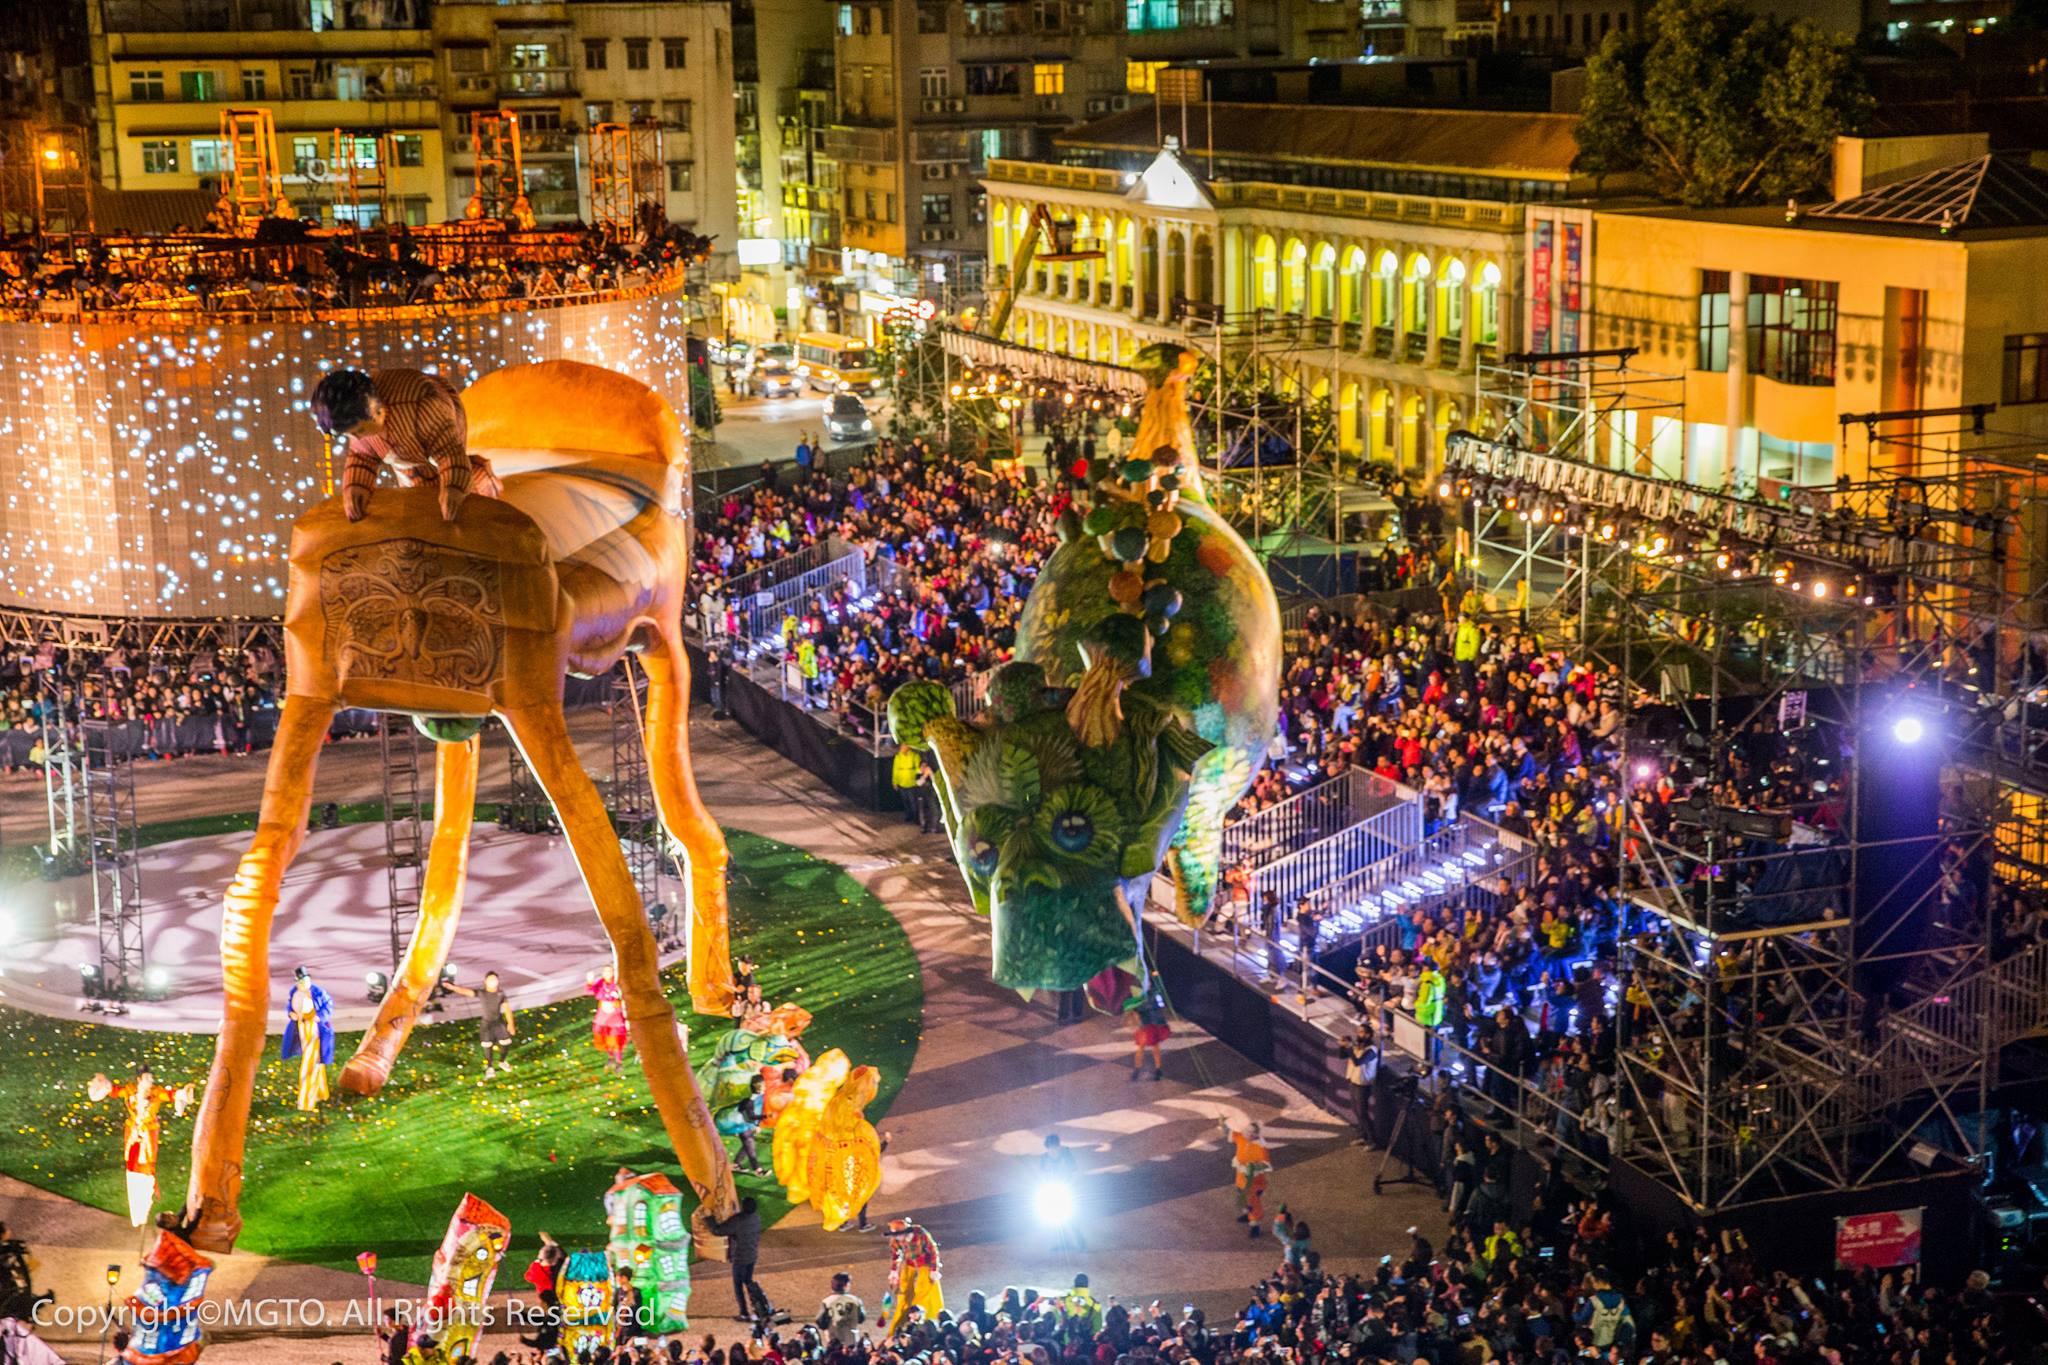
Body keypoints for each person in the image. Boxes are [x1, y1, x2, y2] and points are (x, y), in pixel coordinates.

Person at [310, 367, 501, 524]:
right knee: (419, 502)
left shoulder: (424, 404)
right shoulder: (358, 416)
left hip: (440, 427)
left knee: (462, 503)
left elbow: (449, 453)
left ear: (376, 411)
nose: (356, 438)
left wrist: (454, 487)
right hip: (409, 466)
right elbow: (363, 455)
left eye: (358, 431)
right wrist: (356, 485)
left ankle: (482, 487)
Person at [85, 1068, 195, 1227]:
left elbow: (171, 1095)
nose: (150, 1081)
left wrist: (184, 1093)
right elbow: (114, 1091)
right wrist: (102, 1082)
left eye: (151, 1078)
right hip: (133, 1132)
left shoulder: (156, 1092)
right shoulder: (130, 1090)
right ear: (139, 1079)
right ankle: (137, 1205)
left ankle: (144, 1198)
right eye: (147, 1078)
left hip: (148, 1132)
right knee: (133, 1162)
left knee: (146, 1164)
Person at [710, 1196, 772, 1325]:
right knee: (748, 1282)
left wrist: (709, 1220)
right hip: (751, 1256)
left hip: (740, 1258)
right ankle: (760, 1307)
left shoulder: (738, 1220)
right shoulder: (756, 1218)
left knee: (738, 1286)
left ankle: (744, 1313)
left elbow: (718, 1231)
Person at [282, 966, 334, 1112]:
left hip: (315, 1029)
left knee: (309, 1063)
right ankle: (321, 1092)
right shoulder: (295, 991)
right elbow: (290, 1005)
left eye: (304, 979)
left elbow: (328, 1005)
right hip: (301, 1028)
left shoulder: (317, 992)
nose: (302, 982)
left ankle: (306, 1100)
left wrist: (320, 1017)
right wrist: (291, 1013)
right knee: (314, 1060)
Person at [447, 969, 515, 1077]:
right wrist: (453, 988)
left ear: (498, 982)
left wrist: (510, 1023)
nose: (492, 982)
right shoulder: (482, 993)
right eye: (490, 980)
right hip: (486, 1024)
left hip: (499, 1022)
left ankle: (502, 1061)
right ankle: (490, 1067)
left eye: (494, 980)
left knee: (506, 1042)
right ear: (485, 982)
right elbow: (466, 991)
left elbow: (507, 1009)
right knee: (487, 1046)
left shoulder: (501, 994)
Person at [1220, 1118, 1272, 1236]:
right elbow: (1229, 1133)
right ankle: (1248, 1215)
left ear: (1254, 1135)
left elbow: (1266, 1165)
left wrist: (1250, 1168)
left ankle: (1255, 1226)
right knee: (1242, 1200)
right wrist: (1223, 1123)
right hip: (1241, 1181)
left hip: (1254, 1185)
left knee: (1252, 1204)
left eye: (1248, 1131)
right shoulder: (1242, 1137)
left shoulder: (1261, 1147)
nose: (1244, 1132)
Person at [586, 965, 630, 1072]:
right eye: (605, 971)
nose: (608, 973)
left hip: (615, 1014)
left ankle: (619, 1061)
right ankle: (610, 1057)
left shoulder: (618, 983)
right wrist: (590, 981)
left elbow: (625, 996)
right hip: (603, 1014)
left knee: (616, 1038)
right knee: (605, 1035)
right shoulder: (601, 983)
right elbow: (590, 991)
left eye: (610, 971)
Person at [1128, 989, 1171, 1082]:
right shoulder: (1139, 993)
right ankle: (1139, 1068)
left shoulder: (1153, 993)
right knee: (1143, 1047)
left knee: (1153, 1047)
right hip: (1146, 1023)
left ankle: (1157, 1069)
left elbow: (1160, 1004)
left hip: (1153, 1022)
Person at [818, 1272, 866, 1347]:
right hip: (851, 1339)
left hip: (833, 1340)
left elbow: (821, 1322)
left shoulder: (826, 1302)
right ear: (846, 1285)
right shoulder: (856, 1300)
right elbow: (862, 1318)